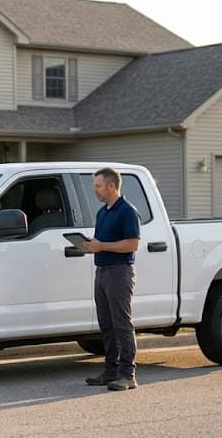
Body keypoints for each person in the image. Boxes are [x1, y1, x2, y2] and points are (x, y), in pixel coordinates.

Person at [83, 167, 141, 391]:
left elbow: (133, 243)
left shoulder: (127, 211)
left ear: (111, 185)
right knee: (106, 324)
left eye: (98, 186)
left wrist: (102, 246)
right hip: (102, 271)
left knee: (121, 324)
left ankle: (128, 375)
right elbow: (103, 241)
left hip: (120, 272)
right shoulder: (102, 212)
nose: (95, 190)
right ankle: (110, 371)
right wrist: (91, 244)